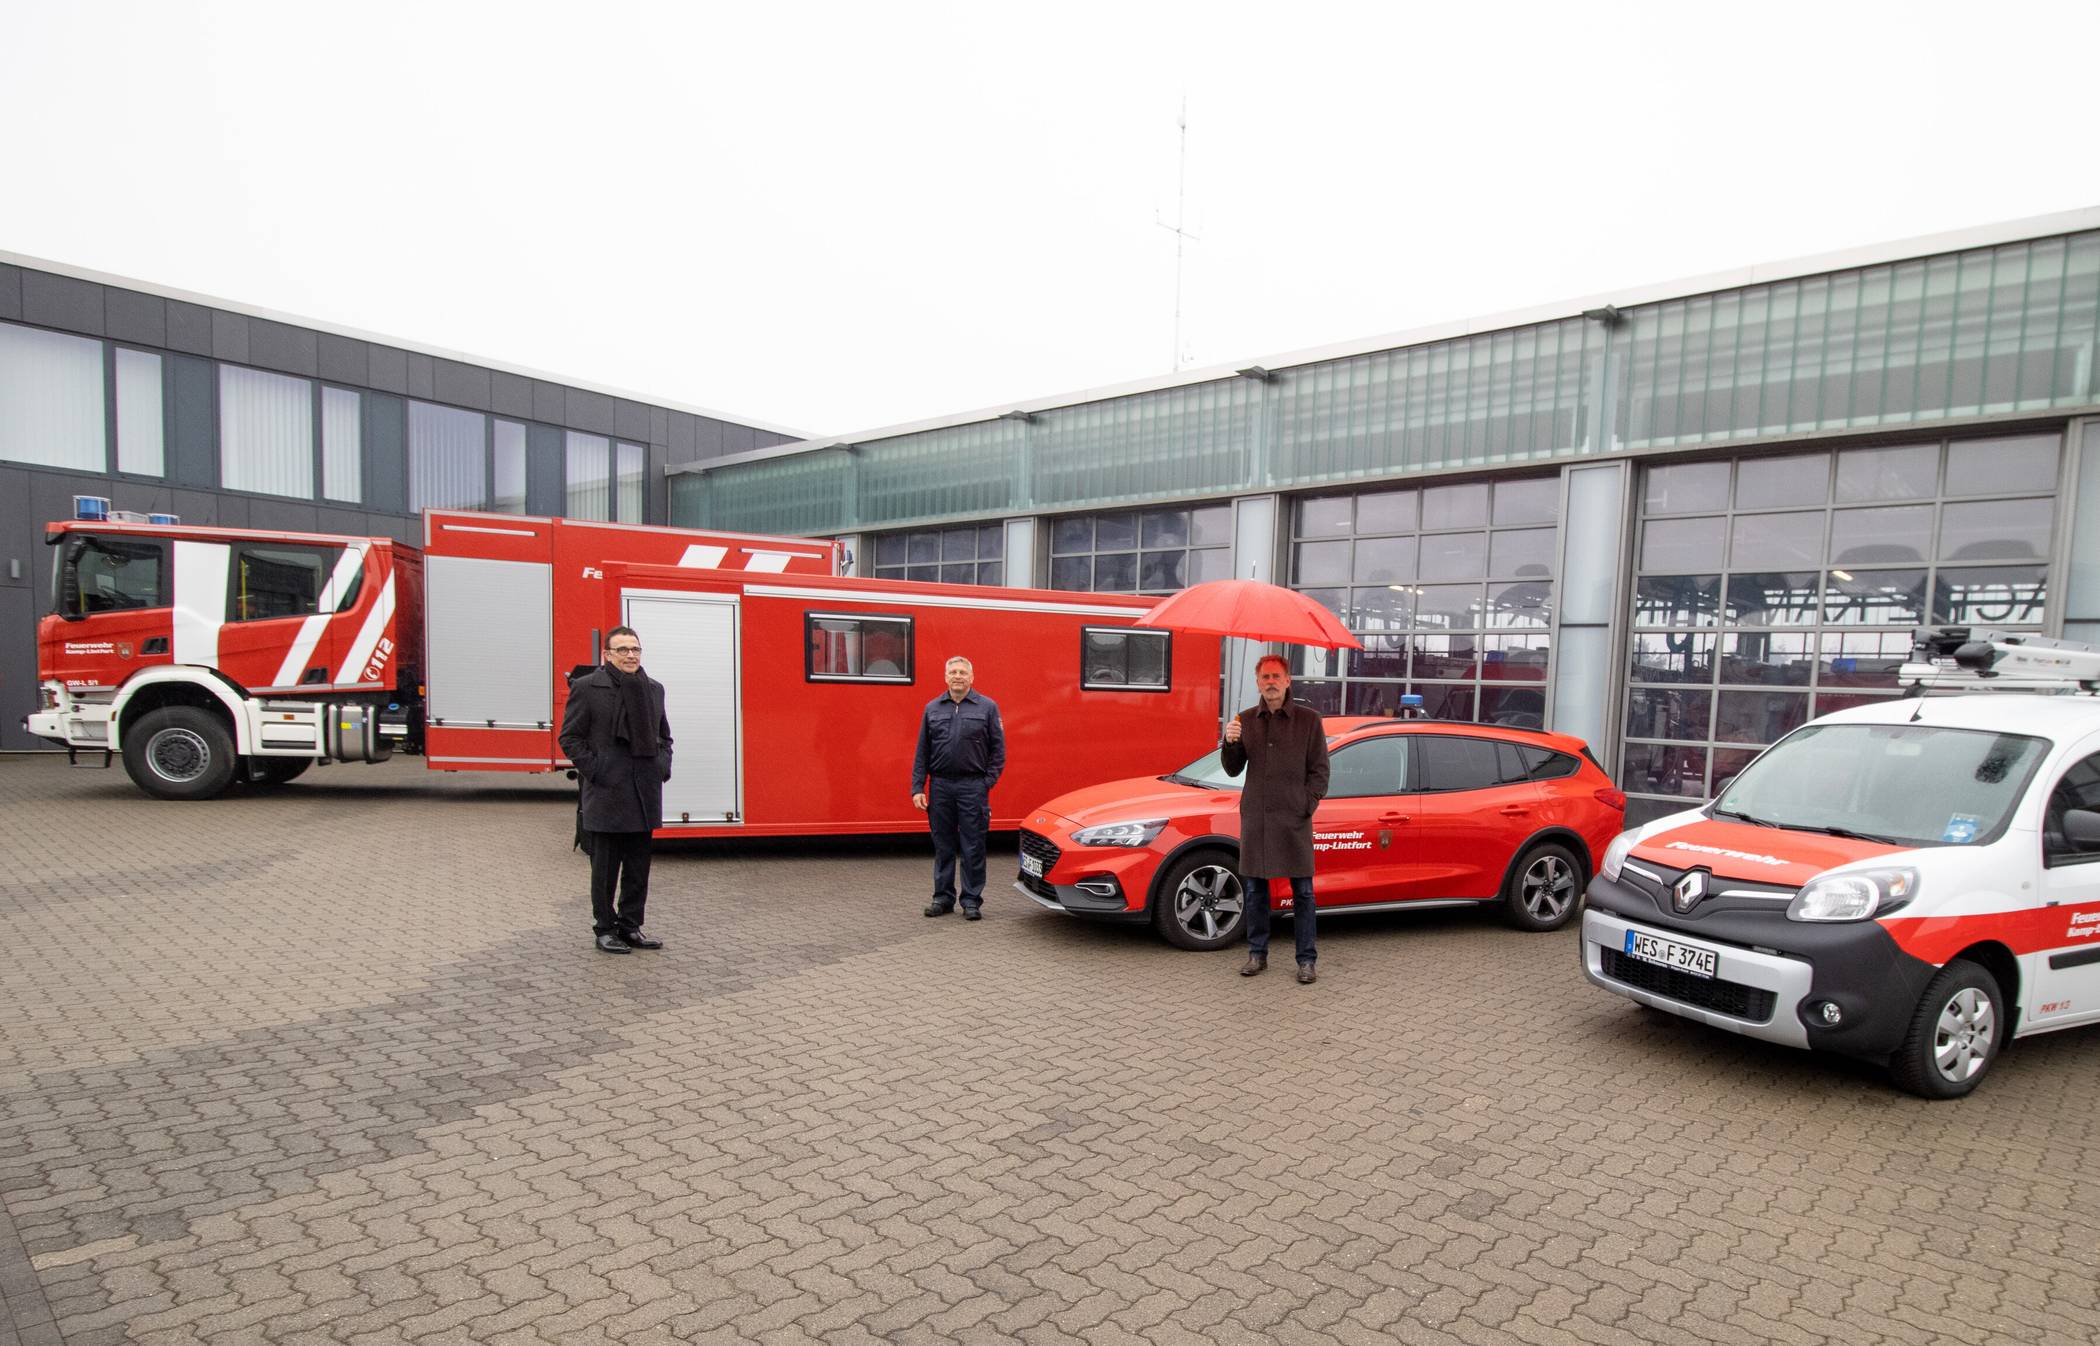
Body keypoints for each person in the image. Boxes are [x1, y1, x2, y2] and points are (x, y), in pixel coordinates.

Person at [559, 625, 674, 955]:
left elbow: (664, 736)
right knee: (605, 869)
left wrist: (661, 767)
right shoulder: (587, 688)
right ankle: (605, 928)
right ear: (607, 655)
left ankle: (630, 925)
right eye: (623, 650)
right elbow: (570, 738)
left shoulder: (653, 689)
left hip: (643, 791)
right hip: (608, 791)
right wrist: (597, 770)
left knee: (638, 868)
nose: (631, 655)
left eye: (635, 649)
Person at [1221, 653, 1331, 983]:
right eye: (1264, 677)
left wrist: (1305, 804)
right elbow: (1232, 768)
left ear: (1287, 681)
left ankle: (1306, 959)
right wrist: (1230, 742)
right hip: (1257, 819)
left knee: (1303, 894)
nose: (1270, 683)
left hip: (1293, 820)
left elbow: (1320, 772)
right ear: (1258, 683)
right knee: (1255, 891)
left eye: (1275, 677)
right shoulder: (1246, 720)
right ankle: (1257, 954)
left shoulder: (1309, 720)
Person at [911, 655, 1007, 920]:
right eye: (953, 671)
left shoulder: (987, 707)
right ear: (945, 677)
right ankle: (942, 898)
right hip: (940, 786)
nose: (957, 676)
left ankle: (971, 900)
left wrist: (985, 784)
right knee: (943, 846)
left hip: (972, 787)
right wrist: (918, 786)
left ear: (971, 678)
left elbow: (998, 752)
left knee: (972, 846)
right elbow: (922, 750)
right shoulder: (932, 708)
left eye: (963, 672)